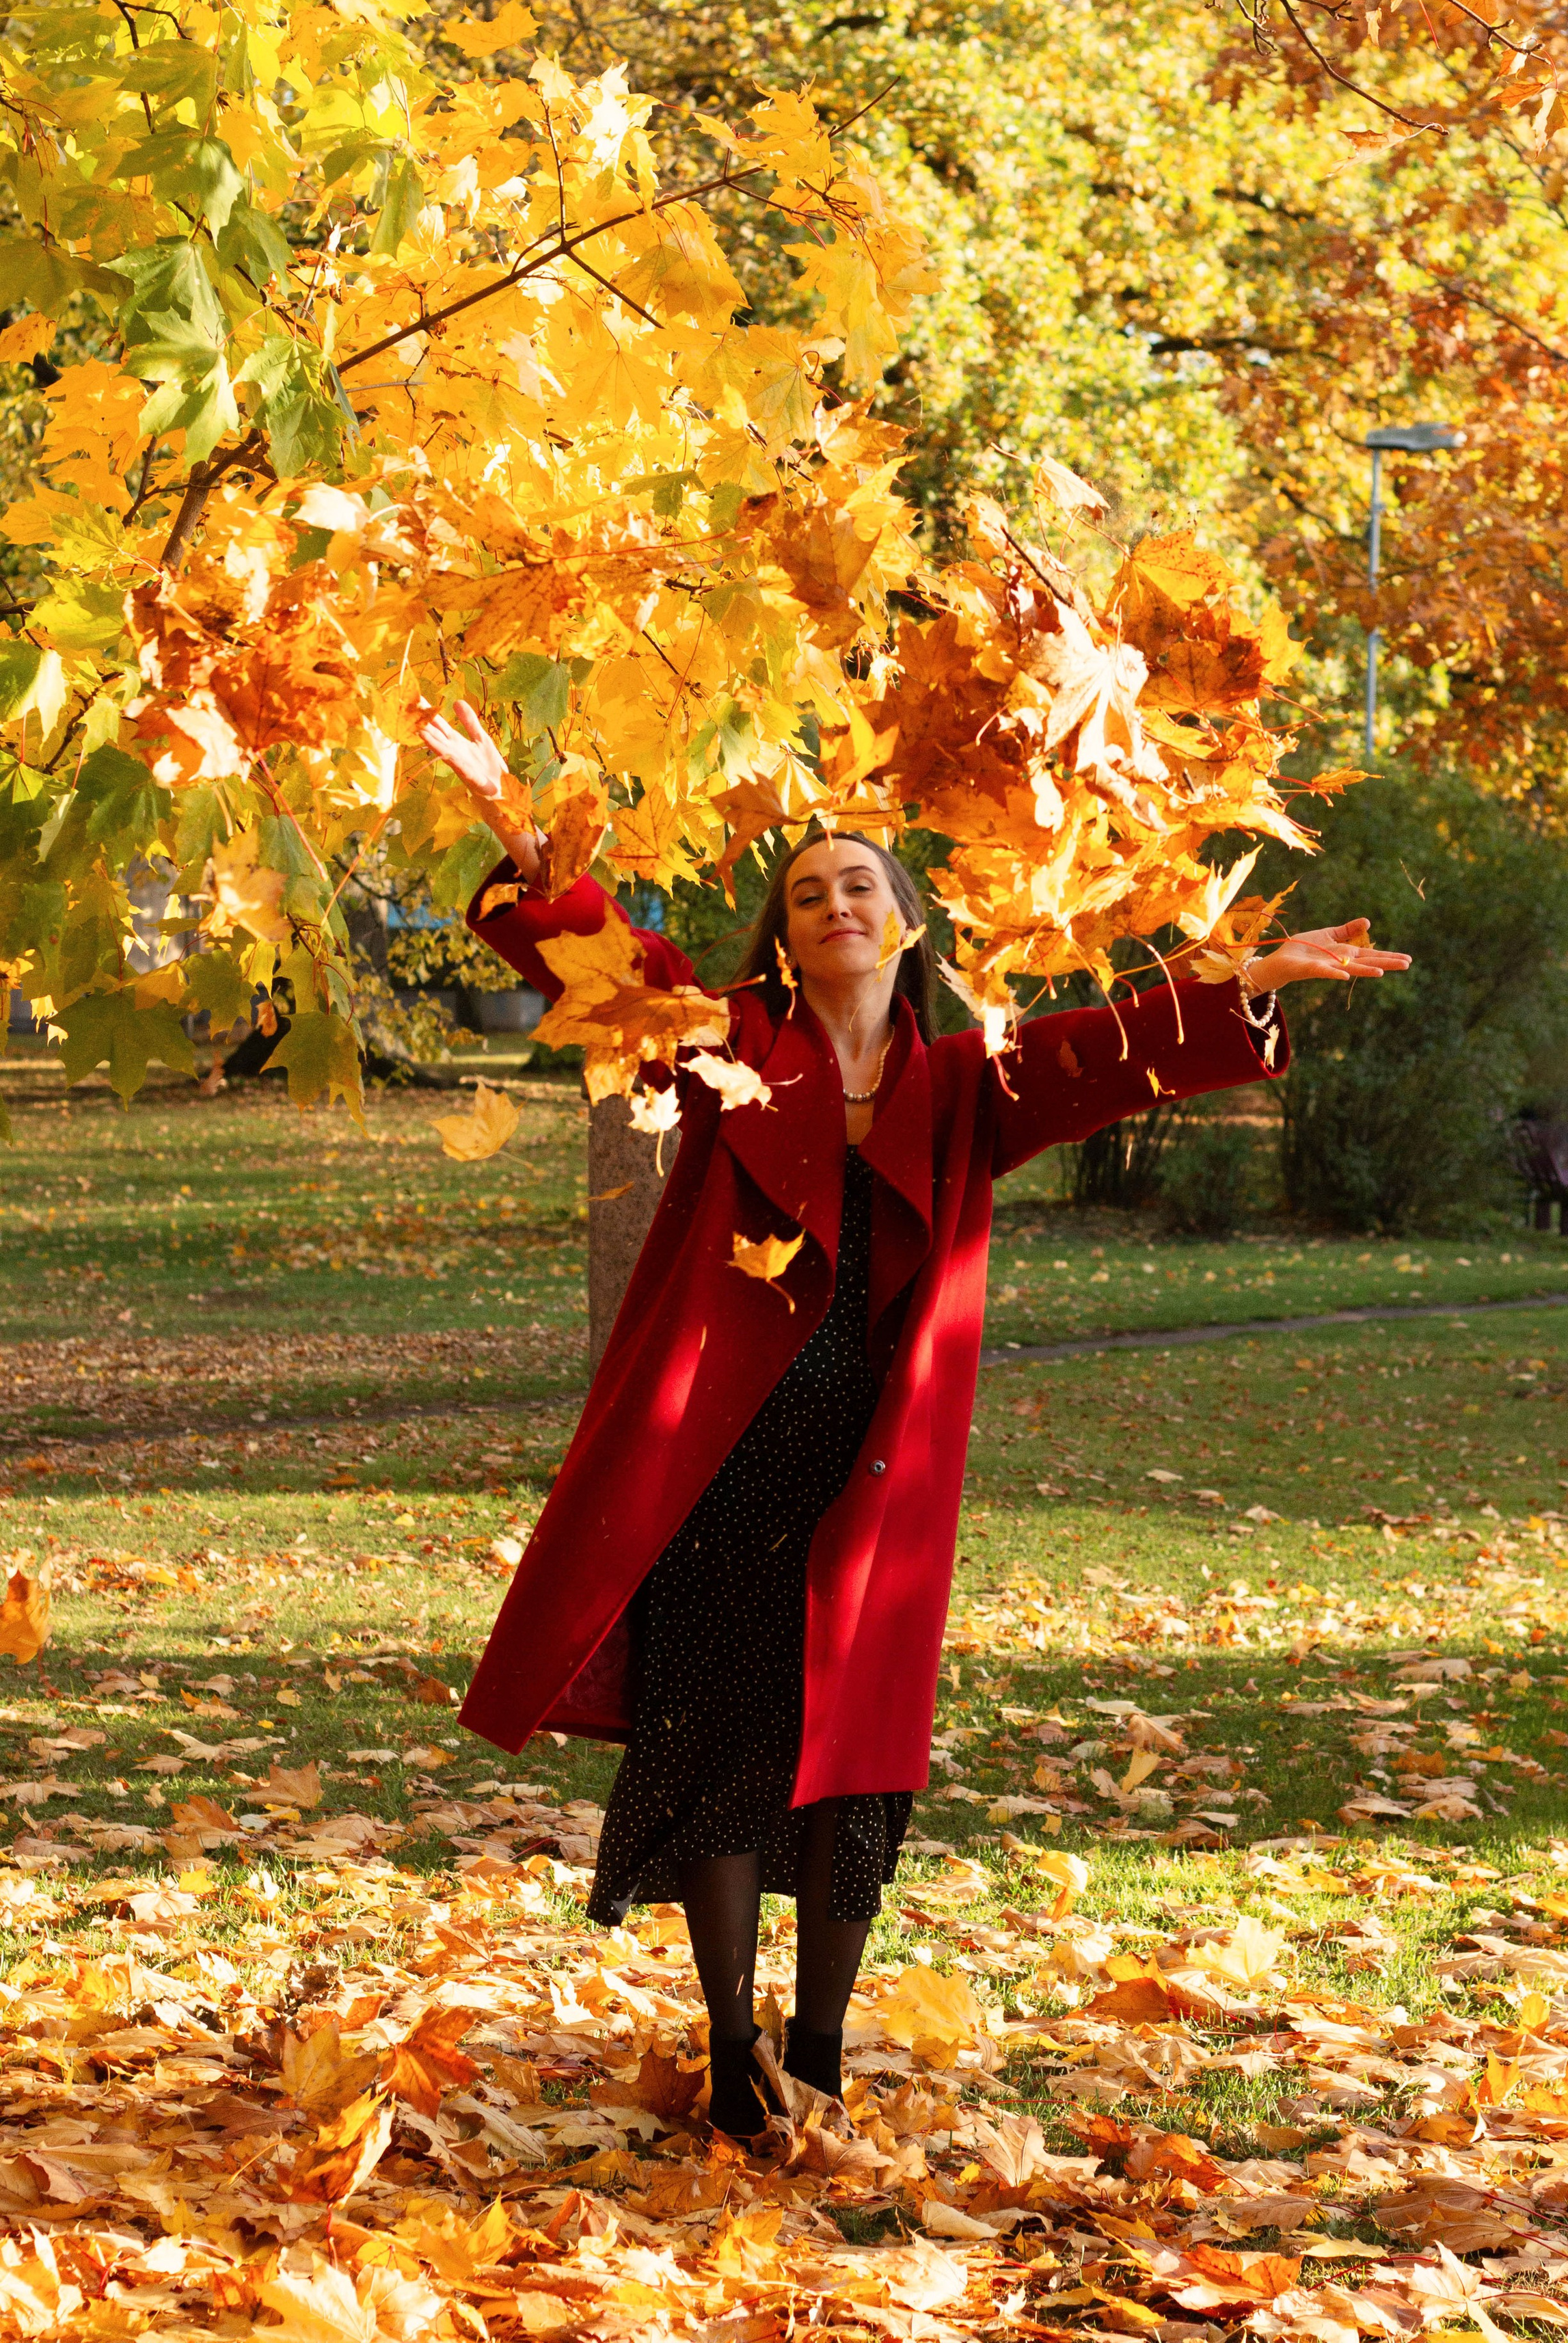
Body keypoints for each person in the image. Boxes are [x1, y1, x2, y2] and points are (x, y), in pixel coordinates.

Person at [418, 698, 1411, 2138]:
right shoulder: (728, 1047)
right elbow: (608, 972)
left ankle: (817, 2046)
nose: (832, 902)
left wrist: (1250, 977)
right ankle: (731, 2048)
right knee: (705, 1734)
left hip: (871, 1485)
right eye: (807, 890)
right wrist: (523, 838)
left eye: (858, 886)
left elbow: (1116, 1044)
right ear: (783, 934)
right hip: (720, 1464)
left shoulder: (965, 1083)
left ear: (903, 925)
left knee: (847, 1762)